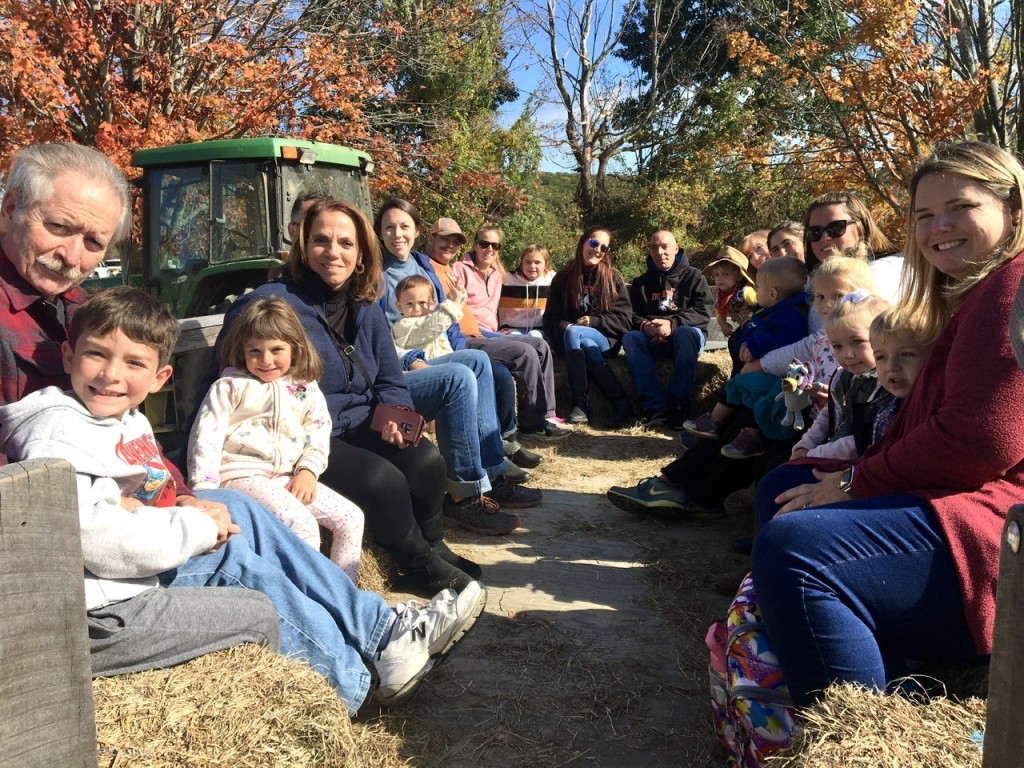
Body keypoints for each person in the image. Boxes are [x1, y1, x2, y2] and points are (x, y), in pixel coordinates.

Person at [0, 143, 485, 714]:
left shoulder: (72, 308)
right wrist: (176, 511)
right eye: (59, 227)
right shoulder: (267, 305)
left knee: (254, 508)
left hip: (125, 505)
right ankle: (355, 685)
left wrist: (183, 494)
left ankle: (382, 627)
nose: (72, 255)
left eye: (94, 243)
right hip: (59, 552)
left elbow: (120, 434)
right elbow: (62, 496)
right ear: (9, 206)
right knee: (262, 557)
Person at [752, 141, 1024, 708]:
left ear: (1014, 207)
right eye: (924, 216)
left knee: (795, 548)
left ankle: (863, 734)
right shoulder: (972, 291)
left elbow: (979, 439)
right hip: (961, 491)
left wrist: (854, 483)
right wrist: (849, 472)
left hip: (996, 521)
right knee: (784, 487)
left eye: (961, 207)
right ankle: (895, 673)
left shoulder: (1011, 289)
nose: (939, 227)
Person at [374, 199, 545, 508]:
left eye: (404, 226)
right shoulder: (376, 274)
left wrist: (461, 349)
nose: (396, 234)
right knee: (467, 371)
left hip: (436, 352)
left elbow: (446, 314)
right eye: (388, 227)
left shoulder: (421, 263)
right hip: (405, 362)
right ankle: (475, 486)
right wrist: (408, 360)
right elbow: (379, 336)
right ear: (379, 232)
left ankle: (492, 470)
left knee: (480, 363)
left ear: (416, 231)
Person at [188, 297, 364, 582]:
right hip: (240, 475)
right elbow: (205, 437)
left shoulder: (305, 389)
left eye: (276, 349)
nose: (266, 360)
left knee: (351, 517)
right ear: (242, 351)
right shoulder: (229, 387)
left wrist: (308, 470)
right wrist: (206, 491)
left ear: (295, 348)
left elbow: (318, 431)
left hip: (285, 477)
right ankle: (307, 598)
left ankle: (345, 594)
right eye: (255, 351)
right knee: (302, 524)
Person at [682, 257, 810, 459]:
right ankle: (748, 435)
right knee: (746, 391)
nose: (754, 291)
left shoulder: (790, 314)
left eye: (757, 287)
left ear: (772, 293)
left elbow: (785, 337)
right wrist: (747, 340)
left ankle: (714, 422)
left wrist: (754, 345)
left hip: (779, 375)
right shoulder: (777, 310)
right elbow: (762, 330)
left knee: (738, 384)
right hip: (769, 370)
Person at [451, 224, 569, 440]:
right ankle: (530, 424)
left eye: (495, 246)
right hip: (472, 333)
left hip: (492, 332)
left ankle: (547, 414)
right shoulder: (459, 270)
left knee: (540, 344)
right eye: (484, 243)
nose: (489, 249)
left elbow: (548, 277)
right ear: (475, 245)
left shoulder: (499, 273)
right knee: (525, 351)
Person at [543, 226, 635, 428]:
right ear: (583, 242)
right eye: (594, 243)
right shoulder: (564, 278)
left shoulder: (613, 278)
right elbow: (550, 319)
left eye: (604, 247)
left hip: (605, 341)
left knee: (577, 334)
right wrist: (567, 327)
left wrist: (594, 322)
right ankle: (621, 403)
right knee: (580, 339)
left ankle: (580, 403)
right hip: (572, 342)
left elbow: (625, 321)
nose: (597, 250)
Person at [621, 229, 711, 430]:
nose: (659, 252)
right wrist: (647, 327)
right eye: (654, 247)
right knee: (631, 338)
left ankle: (679, 406)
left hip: (684, 339)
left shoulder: (695, 277)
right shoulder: (641, 283)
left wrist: (672, 325)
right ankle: (654, 408)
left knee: (687, 333)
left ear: (676, 248)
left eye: (665, 246)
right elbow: (631, 315)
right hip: (652, 339)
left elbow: (703, 311)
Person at [788, 293, 890, 462]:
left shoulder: (886, 384)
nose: (847, 354)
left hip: (859, 462)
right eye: (837, 346)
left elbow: (862, 439)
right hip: (830, 451)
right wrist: (805, 444)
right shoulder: (844, 376)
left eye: (857, 342)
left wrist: (814, 454)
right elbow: (829, 414)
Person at [803, 191, 905, 302]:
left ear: (860, 229)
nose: (824, 237)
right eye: (815, 231)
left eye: (836, 227)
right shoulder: (809, 283)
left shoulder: (883, 273)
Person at [391, 274, 465, 361]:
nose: (416, 309)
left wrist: (455, 297)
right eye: (409, 304)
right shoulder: (400, 327)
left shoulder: (431, 317)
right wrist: (454, 303)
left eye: (422, 303)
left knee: (478, 357)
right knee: (473, 360)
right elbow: (430, 327)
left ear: (432, 303)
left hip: (444, 361)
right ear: (399, 306)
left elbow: (440, 315)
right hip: (425, 366)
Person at [498, 244, 555, 337]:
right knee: (515, 337)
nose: (532, 266)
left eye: (537, 262)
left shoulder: (553, 280)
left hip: (541, 329)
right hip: (511, 328)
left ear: (546, 264)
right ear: (522, 263)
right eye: (527, 262)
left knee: (534, 336)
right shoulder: (507, 279)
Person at [704, 245, 756, 339]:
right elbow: (719, 311)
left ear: (738, 277)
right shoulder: (722, 296)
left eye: (726, 274)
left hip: (755, 325)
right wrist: (723, 325)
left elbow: (761, 306)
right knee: (733, 341)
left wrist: (752, 310)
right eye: (717, 275)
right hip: (743, 326)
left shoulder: (746, 291)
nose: (720, 278)